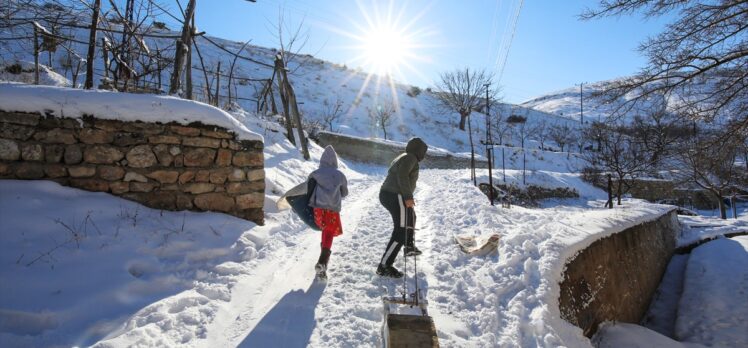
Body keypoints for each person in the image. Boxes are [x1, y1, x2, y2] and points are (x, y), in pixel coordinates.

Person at [376, 137, 428, 278]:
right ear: (419, 151)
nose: (424, 155)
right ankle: (384, 266)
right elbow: (402, 176)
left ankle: (409, 245)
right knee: (400, 230)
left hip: (391, 194)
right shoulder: (411, 158)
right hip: (395, 194)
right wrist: (407, 196)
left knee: (411, 216)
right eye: (424, 152)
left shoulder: (405, 156)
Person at [308, 145, 348, 280]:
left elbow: (308, 187)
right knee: (329, 232)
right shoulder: (340, 175)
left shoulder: (316, 173)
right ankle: (322, 263)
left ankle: (322, 266)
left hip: (318, 208)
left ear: (322, 160)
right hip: (332, 210)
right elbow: (344, 193)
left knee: (325, 230)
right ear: (335, 161)